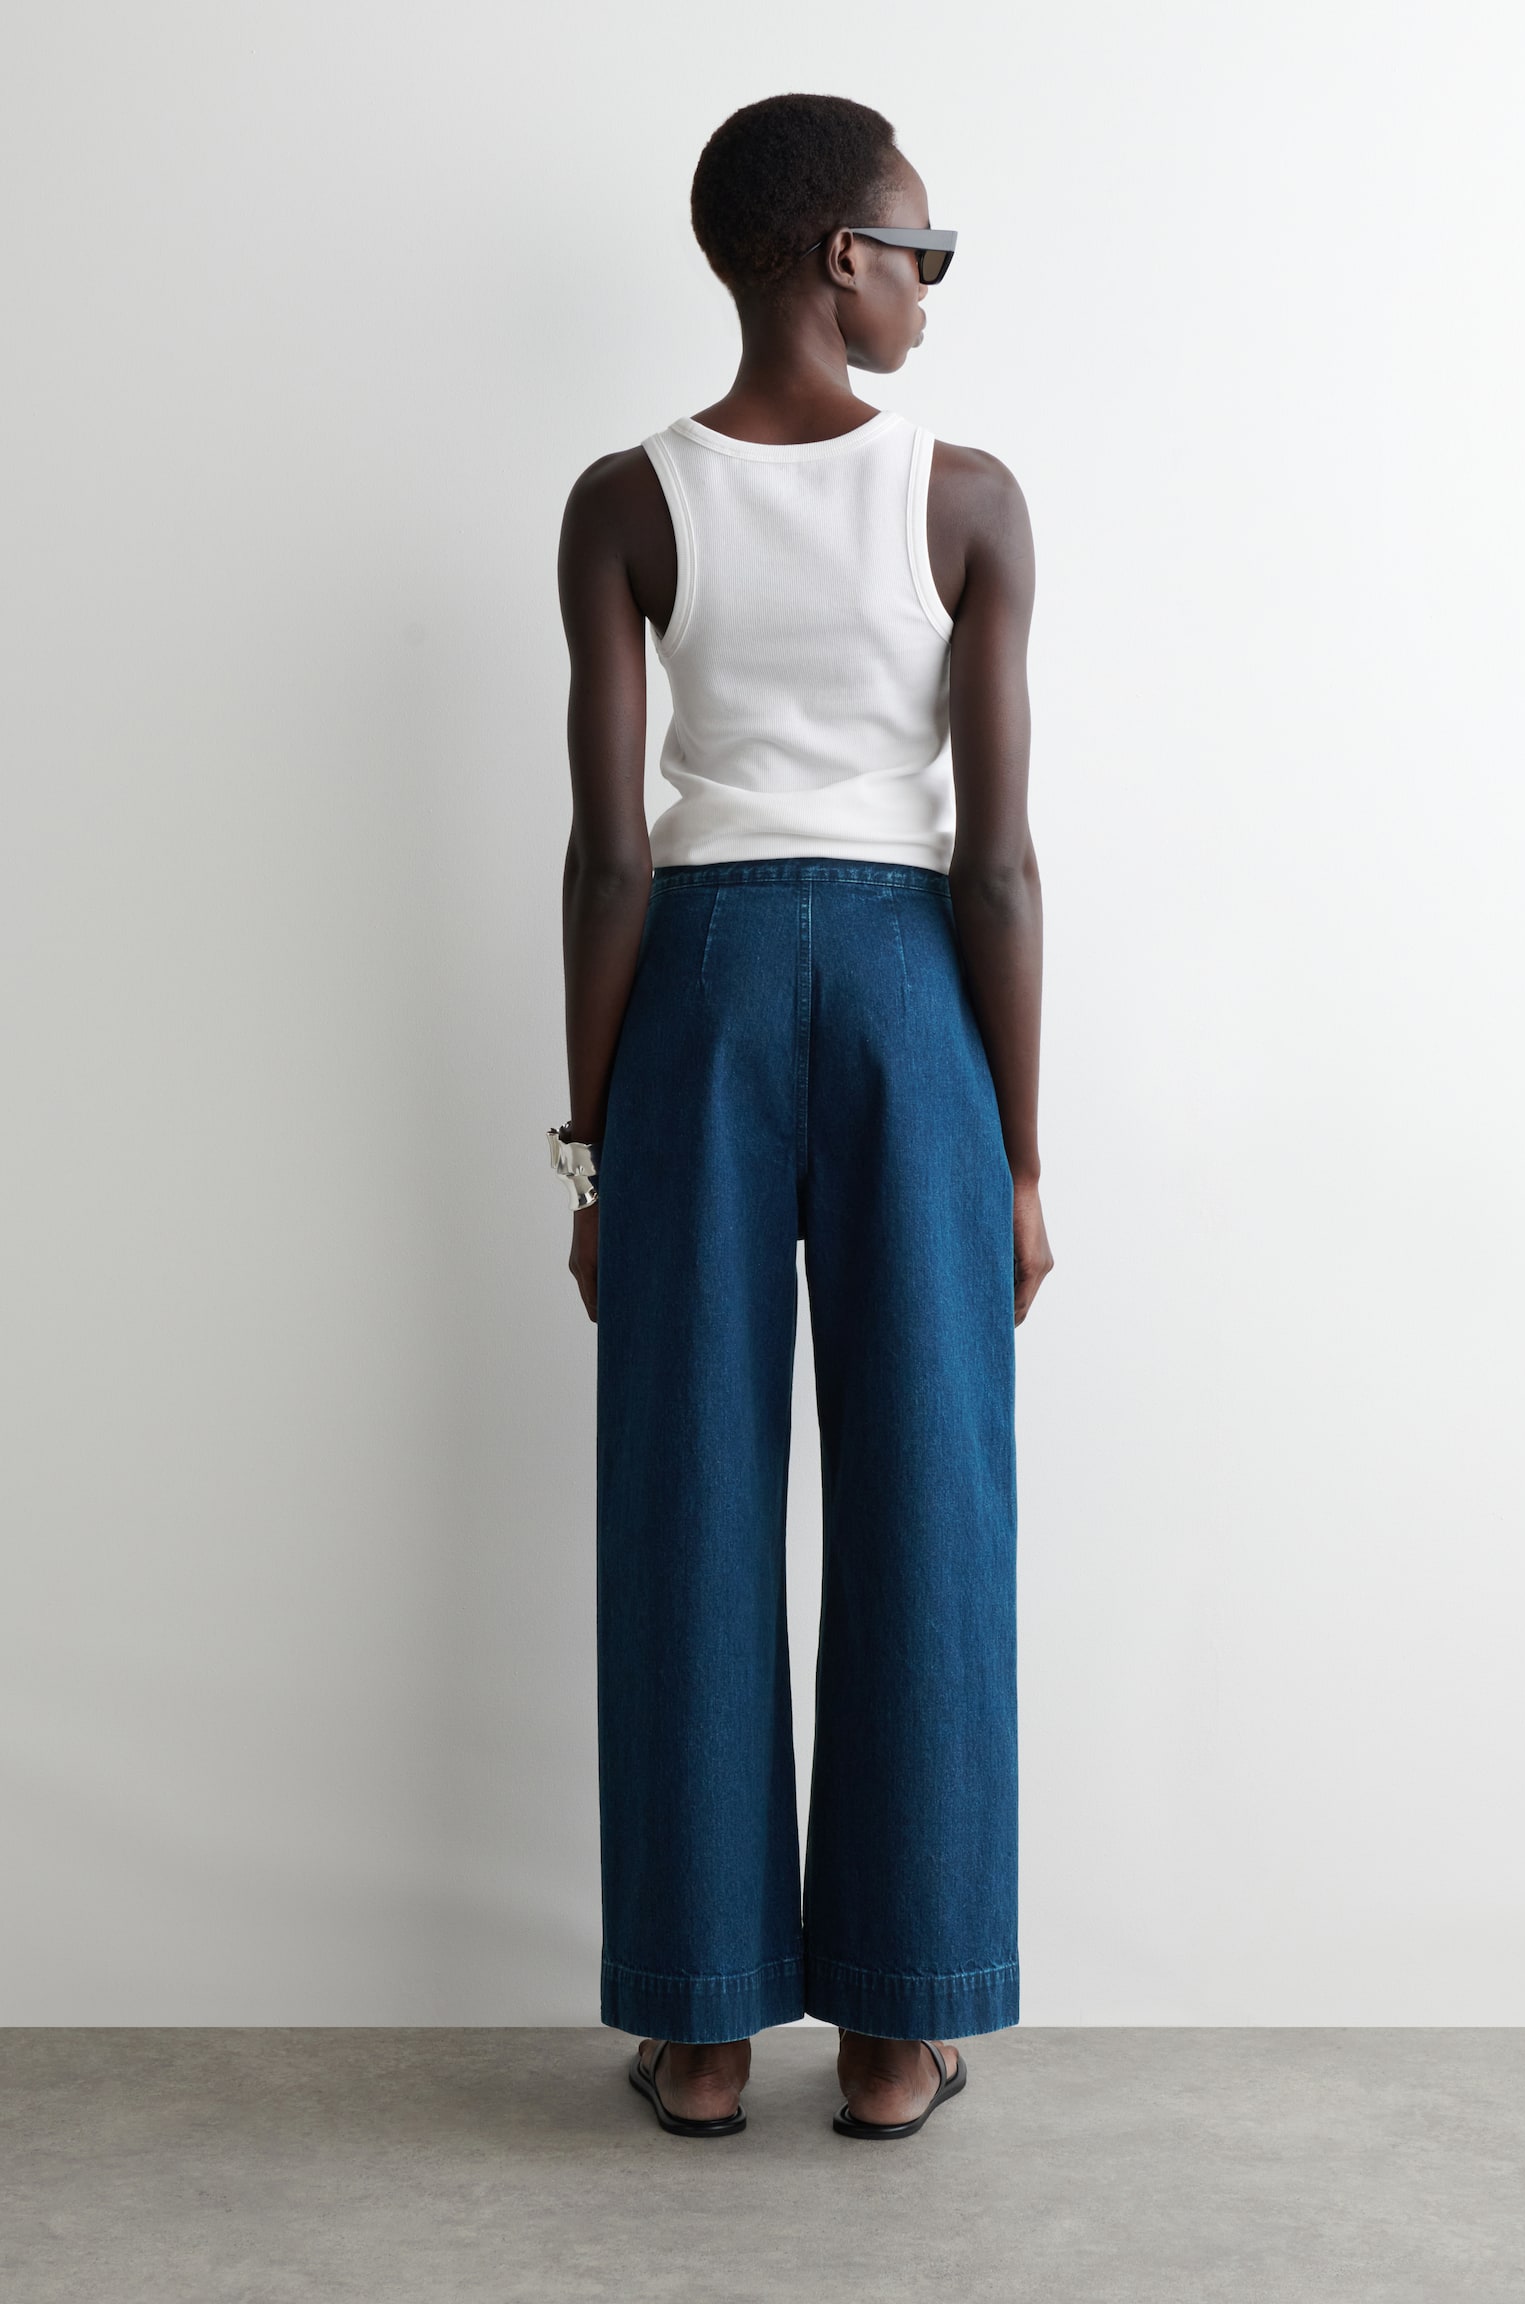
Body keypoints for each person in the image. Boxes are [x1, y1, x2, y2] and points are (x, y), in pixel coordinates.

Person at [550, 91, 1050, 2141]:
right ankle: (899, 2030)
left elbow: (609, 855)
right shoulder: (970, 498)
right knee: (931, 1484)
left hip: (700, 996)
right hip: (913, 994)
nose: (932, 286)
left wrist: (592, 1148)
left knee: (684, 1479)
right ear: (844, 257)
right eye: (924, 251)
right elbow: (997, 861)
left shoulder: (625, 501)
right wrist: (1021, 1157)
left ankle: (698, 2030)